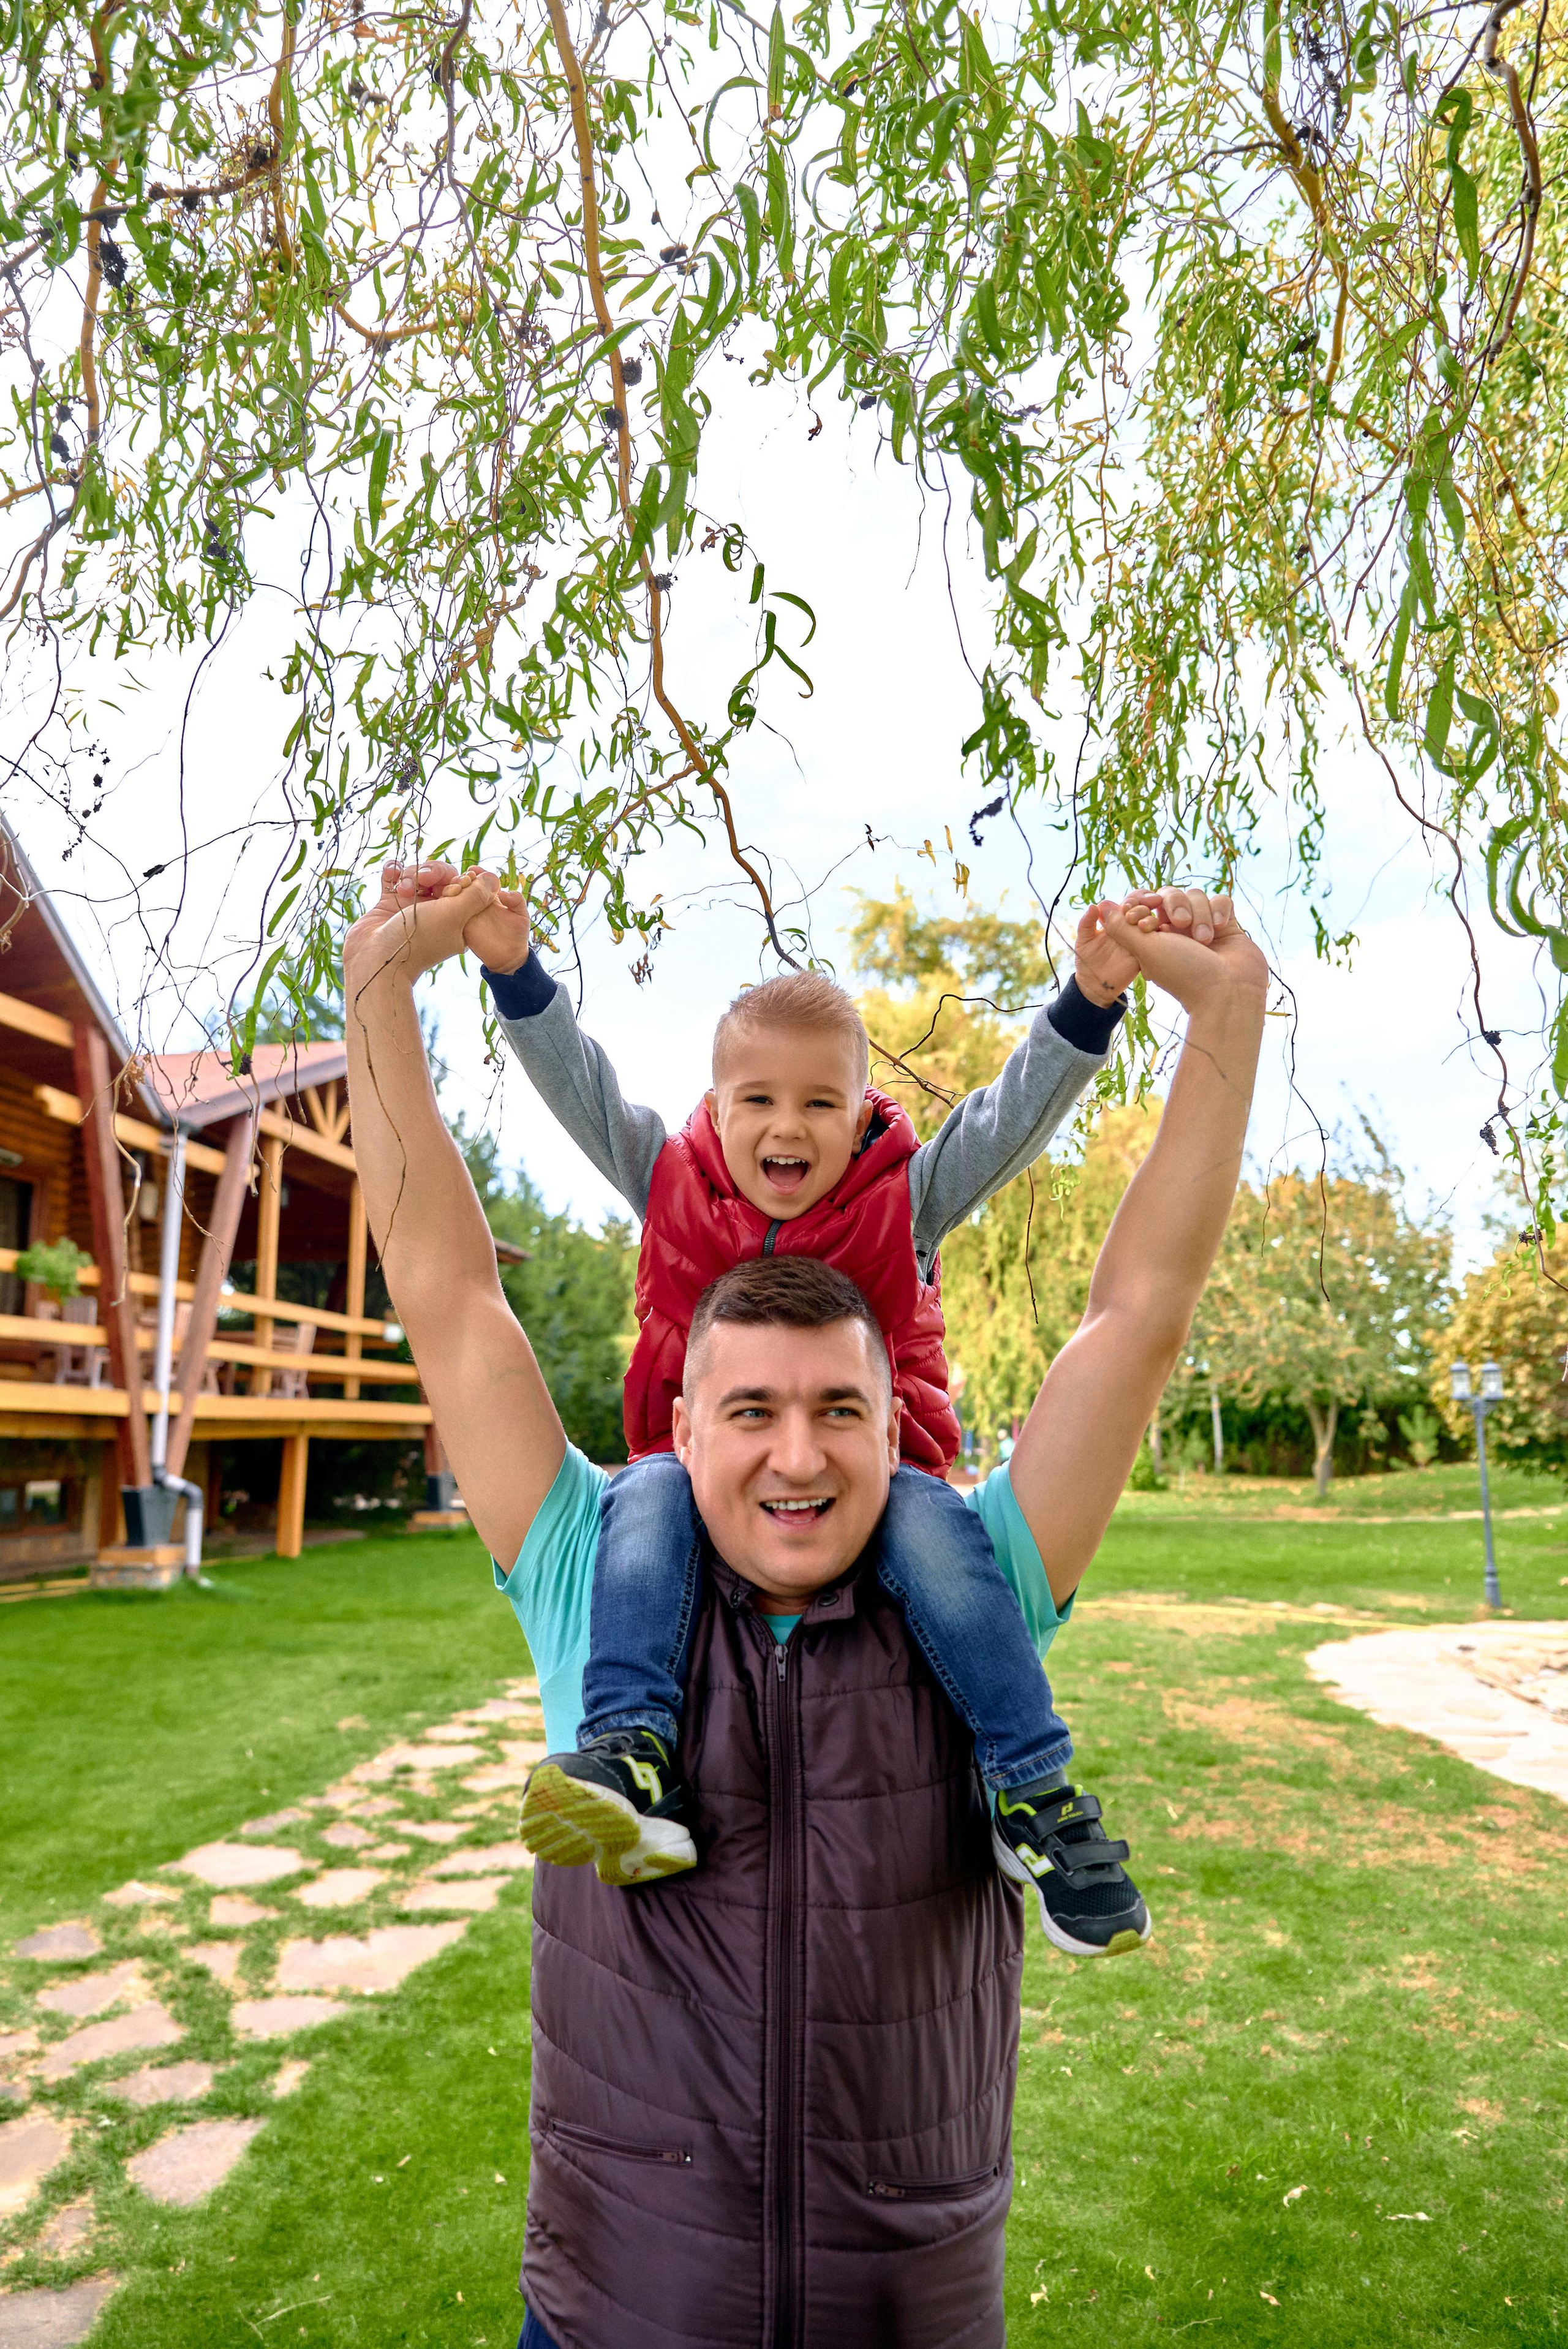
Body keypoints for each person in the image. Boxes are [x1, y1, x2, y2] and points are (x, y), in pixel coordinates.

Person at [343, 871, 1265, 2349]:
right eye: (749, 1409)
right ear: (680, 1427)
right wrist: (377, 990)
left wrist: (1223, 1015)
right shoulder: (593, 1565)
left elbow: (1136, 1310)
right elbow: (447, 1288)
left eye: (841, 1407)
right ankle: (621, 1774)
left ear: (894, 1430)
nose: (793, 1452)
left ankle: (1040, 1805)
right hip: (615, 2315)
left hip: (902, 2310)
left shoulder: (983, 1589)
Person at [391, 865, 1226, 1956]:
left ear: (860, 1109)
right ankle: (631, 1749)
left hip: (887, 1480)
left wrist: (1093, 999)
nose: (790, 1128)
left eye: (821, 1103)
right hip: (689, 1478)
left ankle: (1033, 1792)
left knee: (945, 1550)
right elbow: (582, 1090)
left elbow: (1013, 1118)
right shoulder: (669, 1180)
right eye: (761, 1102)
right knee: (644, 1506)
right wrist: (514, 971)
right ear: (718, 1108)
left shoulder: (907, 1197)